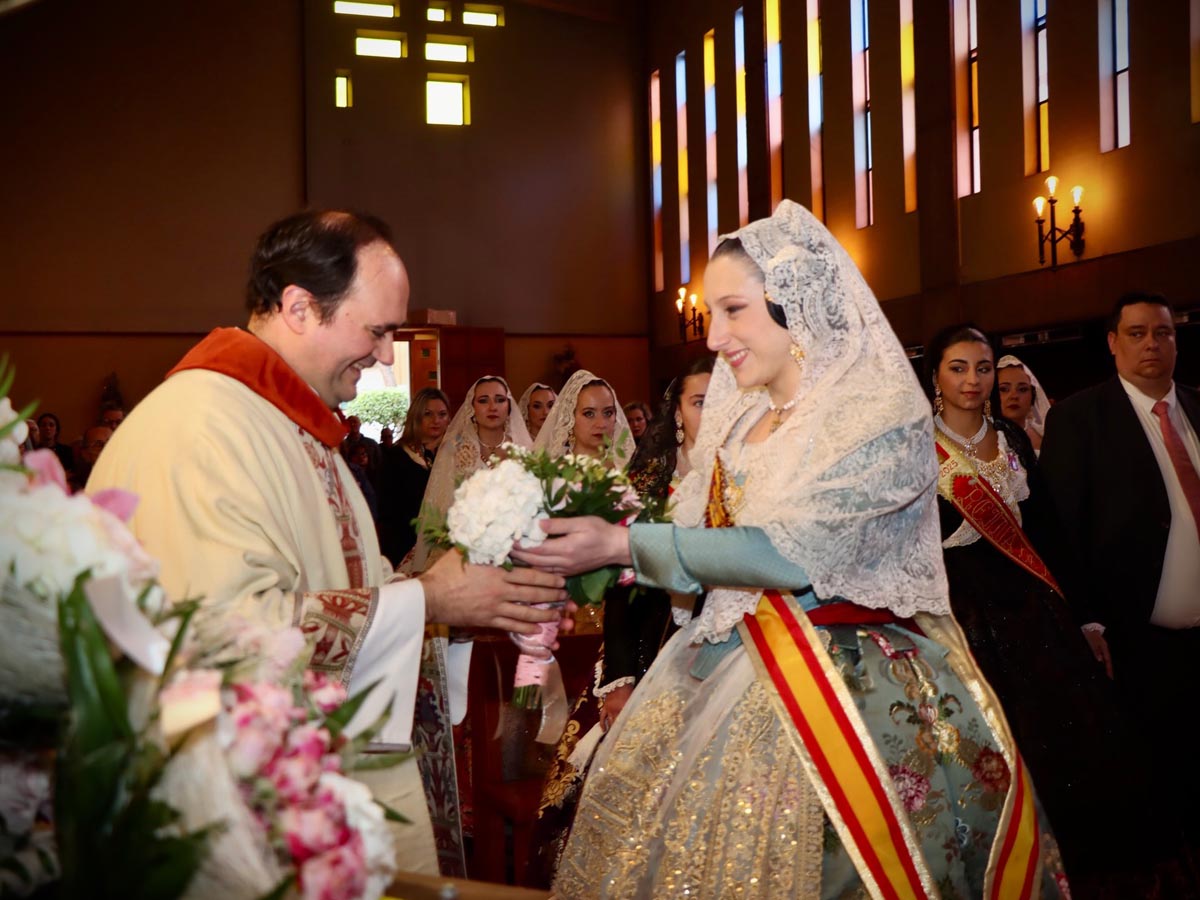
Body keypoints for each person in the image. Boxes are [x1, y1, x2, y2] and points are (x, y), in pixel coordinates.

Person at [515, 201, 1066, 899]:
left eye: (733, 310)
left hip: (853, 683)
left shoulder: (877, 416)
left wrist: (623, 542)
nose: (714, 337)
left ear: (794, 303)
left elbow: (792, 554)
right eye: (712, 314)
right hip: (724, 661)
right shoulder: (739, 419)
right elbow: (698, 541)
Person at [87, 210, 568, 877]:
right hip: (226, 826)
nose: (381, 353)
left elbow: (352, 587)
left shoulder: (293, 426)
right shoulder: (197, 428)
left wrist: (467, 599)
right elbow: (219, 645)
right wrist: (428, 601)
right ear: (299, 307)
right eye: (376, 331)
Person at [927, 324, 1156, 889]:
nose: (974, 380)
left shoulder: (1011, 438)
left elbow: (1050, 534)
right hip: (962, 619)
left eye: (983, 367)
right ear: (935, 374)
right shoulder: (914, 448)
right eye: (959, 367)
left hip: (1034, 612)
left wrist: (1084, 615)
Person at [528, 356, 713, 888]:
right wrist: (622, 680)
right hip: (652, 649)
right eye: (699, 402)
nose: (712, 411)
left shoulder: (749, 473)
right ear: (676, 413)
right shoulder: (649, 479)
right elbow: (623, 589)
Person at [1040, 291, 1200, 840]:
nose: (1151, 344)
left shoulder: (1199, 408)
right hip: (1135, 635)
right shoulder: (1080, 418)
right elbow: (1061, 530)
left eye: (1163, 332)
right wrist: (1084, 619)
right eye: (1136, 333)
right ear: (1112, 344)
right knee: (1152, 783)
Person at [410, 375, 532, 573]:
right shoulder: (454, 449)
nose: (492, 407)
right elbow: (437, 504)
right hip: (461, 553)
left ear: (509, 406)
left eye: (500, 400)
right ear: (472, 408)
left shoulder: (524, 449)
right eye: (483, 400)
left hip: (515, 553)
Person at [377, 387, 450, 567]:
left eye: (442, 414)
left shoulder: (457, 454)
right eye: (428, 414)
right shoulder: (396, 456)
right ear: (416, 417)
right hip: (404, 545)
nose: (436, 421)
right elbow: (386, 510)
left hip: (447, 547)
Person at [531, 370, 634, 466]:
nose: (601, 424)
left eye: (608, 413)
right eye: (589, 414)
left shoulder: (626, 468)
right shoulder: (552, 470)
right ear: (570, 417)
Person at [995, 354, 1051, 453]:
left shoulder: (1045, 435)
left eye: (1022, 389)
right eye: (1004, 389)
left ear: (1033, 396)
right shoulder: (983, 438)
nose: (1014, 396)